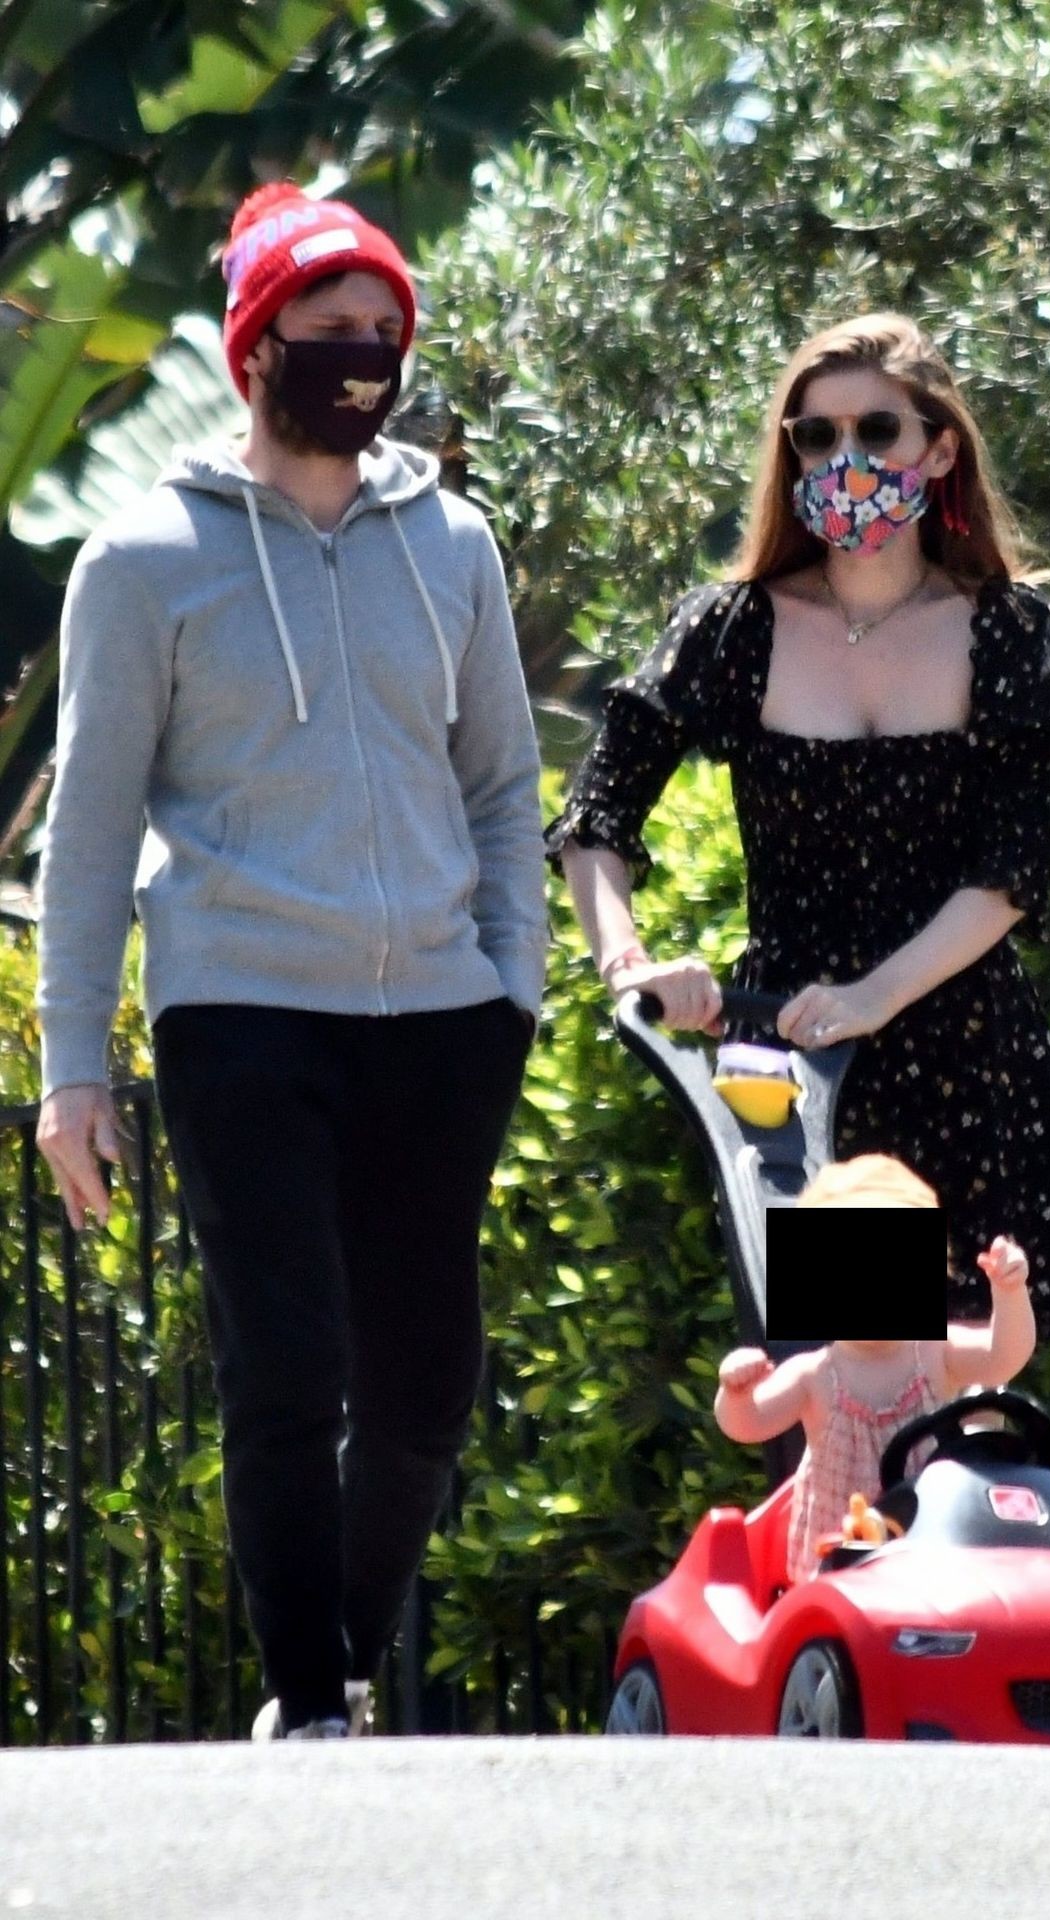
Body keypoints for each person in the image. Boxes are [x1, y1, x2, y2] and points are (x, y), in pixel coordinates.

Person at [35, 182, 547, 1739]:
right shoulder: (142, 561)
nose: (366, 356)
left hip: (440, 1020)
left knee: (424, 1391)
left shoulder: (451, 543)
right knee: (287, 1370)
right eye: (333, 329)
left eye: (387, 331)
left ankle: (344, 1650)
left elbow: (503, 784)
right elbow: (90, 827)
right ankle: (312, 1704)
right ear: (257, 344)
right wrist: (72, 1072)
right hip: (242, 1009)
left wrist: (512, 988)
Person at [547, 312, 1050, 1346]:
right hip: (805, 1068)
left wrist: (876, 996)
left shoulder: (1008, 631)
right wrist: (630, 964)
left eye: (877, 429)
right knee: (857, 1400)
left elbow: (1010, 870)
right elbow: (596, 814)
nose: (845, 458)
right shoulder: (733, 629)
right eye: (815, 436)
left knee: (972, 1396)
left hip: (963, 1057)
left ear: (938, 449)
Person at [714, 1153, 1036, 1581]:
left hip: (935, 1555)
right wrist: (736, 1392)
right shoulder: (814, 1375)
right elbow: (747, 1424)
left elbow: (1003, 1357)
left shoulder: (936, 1352)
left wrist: (1010, 1293)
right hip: (839, 1572)